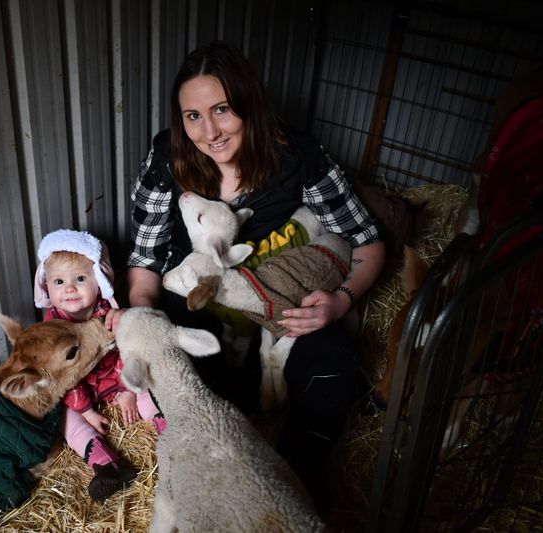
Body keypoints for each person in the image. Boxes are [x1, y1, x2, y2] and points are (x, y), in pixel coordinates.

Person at [126, 41, 385, 477]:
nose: (209, 132)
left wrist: (340, 301)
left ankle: (291, 483)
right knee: (186, 373)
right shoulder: (168, 157)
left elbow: (369, 241)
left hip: (271, 299)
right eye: (193, 116)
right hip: (194, 296)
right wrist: (145, 333)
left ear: (250, 104)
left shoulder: (294, 156)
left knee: (334, 361)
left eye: (223, 109)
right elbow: (145, 261)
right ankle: (218, 470)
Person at [34, 229, 167, 502]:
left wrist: (127, 389)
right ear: (46, 286)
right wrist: (87, 411)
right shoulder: (52, 330)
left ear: (100, 282)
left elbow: (127, 352)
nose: (69, 288)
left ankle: (171, 432)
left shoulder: (111, 313)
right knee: (61, 415)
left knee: (147, 382)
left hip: (115, 380)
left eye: (80, 279)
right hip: (81, 394)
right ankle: (106, 464)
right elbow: (65, 379)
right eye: (58, 281)